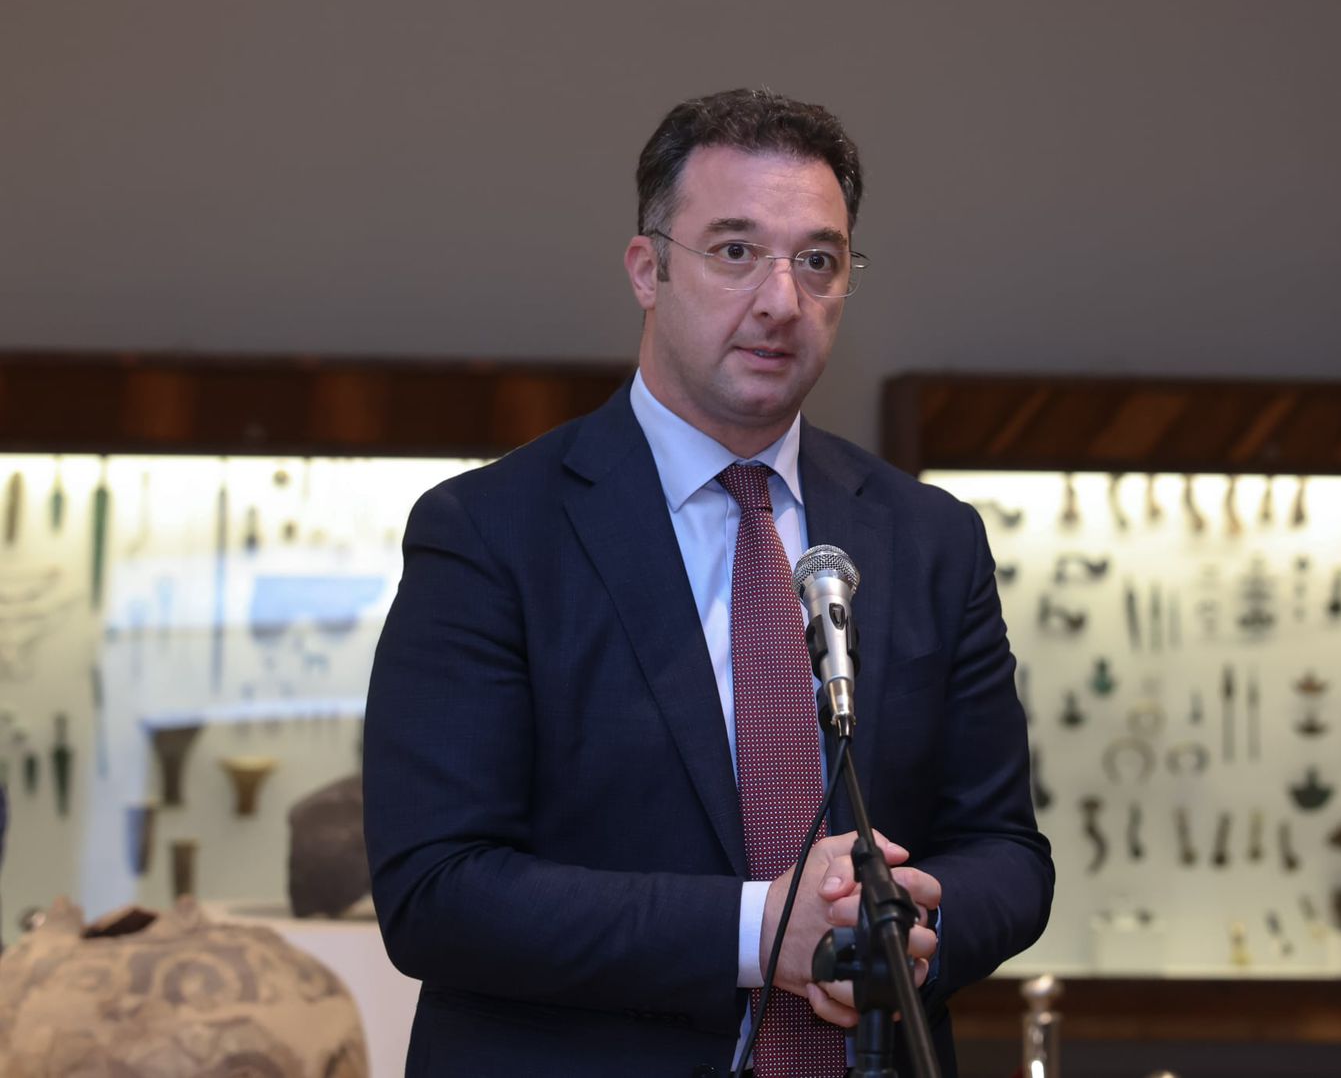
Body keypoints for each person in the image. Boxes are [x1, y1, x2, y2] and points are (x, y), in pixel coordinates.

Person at [364, 88, 1052, 1077]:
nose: (781, 300)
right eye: (735, 251)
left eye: (817, 261)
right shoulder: (489, 534)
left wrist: (901, 931)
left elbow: (1006, 853)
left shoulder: (929, 538)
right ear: (647, 269)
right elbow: (436, 890)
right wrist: (759, 928)